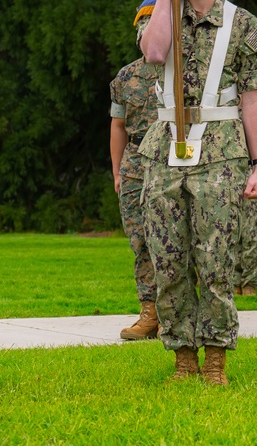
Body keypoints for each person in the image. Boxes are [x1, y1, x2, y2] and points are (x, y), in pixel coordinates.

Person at [137, 0, 257, 386]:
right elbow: (154, 54)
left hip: (220, 151)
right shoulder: (159, 12)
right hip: (164, 148)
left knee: (216, 261)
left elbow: (254, 98)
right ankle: (182, 359)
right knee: (168, 260)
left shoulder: (246, 25)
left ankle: (215, 359)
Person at [110, 57, 160, 339]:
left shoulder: (181, 67)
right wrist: (118, 172)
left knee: (172, 240)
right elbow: (118, 125)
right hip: (135, 162)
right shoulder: (125, 75)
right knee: (140, 239)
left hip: (171, 158)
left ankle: (174, 313)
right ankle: (149, 313)